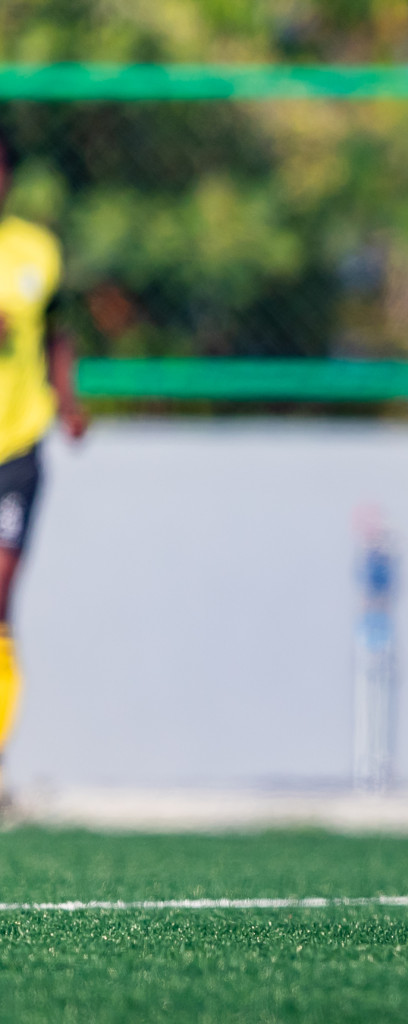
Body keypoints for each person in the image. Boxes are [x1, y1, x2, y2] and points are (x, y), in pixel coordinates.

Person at [0, 125, 88, 801]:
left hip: (17, 446)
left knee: (0, 598)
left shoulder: (36, 250)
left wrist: (68, 399)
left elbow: (57, 330)